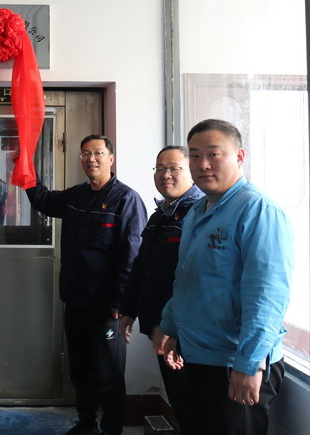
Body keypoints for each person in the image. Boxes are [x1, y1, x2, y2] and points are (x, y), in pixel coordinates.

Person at [155, 119, 293, 435]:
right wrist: (171, 327)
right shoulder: (197, 211)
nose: (203, 164)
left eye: (213, 154)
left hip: (235, 362)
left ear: (239, 156)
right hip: (198, 354)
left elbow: (267, 296)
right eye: (194, 155)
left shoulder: (258, 210)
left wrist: (248, 365)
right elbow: (188, 279)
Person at [25, 135, 147, 435]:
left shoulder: (126, 200)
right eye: (85, 154)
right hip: (76, 300)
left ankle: (112, 428)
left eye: (98, 153)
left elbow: (132, 256)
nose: (91, 159)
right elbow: (44, 200)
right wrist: (25, 168)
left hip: (108, 307)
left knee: (109, 373)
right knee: (80, 369)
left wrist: (122, 302)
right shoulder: (76, 196)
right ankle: (86, 423)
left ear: (110, 159)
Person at [118, 146, 203, 434]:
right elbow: (142, 267)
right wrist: (129, 310)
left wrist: (174, 328)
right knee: (181, 404)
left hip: (184, 333)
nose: (166, 175)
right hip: (160, 328)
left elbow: (194, 279)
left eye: (174, 168)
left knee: (194, 406)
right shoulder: (162, 214)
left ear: (191, 171)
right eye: (160, 168)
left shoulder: (199, 213)